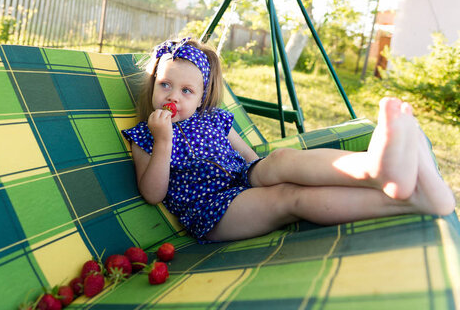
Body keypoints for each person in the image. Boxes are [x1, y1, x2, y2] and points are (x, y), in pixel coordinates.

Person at [121, 37, 456, 243]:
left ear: (201, 97)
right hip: (213, 210)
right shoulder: (146, 136)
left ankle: (378, 171)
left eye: (186, 90)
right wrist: (163, 140)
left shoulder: (214, 118)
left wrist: (268, 169)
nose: (173, 96)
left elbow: (251, 157)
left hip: (244, 178)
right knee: (289, 198)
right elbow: (153, 194)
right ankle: (411, 201)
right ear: (153, 84)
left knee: (280, 160)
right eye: (165, 84)